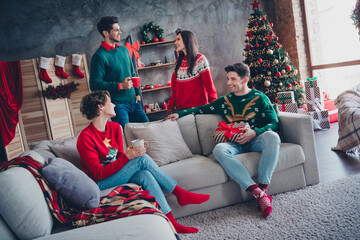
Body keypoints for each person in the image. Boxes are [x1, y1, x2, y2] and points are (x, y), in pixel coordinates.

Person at [77, 91, 210, 233]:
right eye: (110, 102)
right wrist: (129, 157)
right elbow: (98, 173)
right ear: (100, 107)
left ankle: (171, 224)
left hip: (113, 175)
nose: (114, 104)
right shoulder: (85, 138)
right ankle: (180, 193)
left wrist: (133, 153)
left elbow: (119, 157)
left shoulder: (115, 128)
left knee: (144, 174)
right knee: (142, 160)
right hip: (99, 183)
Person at [165, 63, 280, 218]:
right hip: (234, 144)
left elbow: (274, 122)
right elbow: (200, 109)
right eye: (227, 79)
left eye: (233, 79)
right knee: (219, 149)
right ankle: (256, 192)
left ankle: (263, 188)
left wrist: (255, 132)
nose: (228, 83)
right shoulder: (224, 101)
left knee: (273, 137)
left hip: (255, 140)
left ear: (244, 79)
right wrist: (179, 114)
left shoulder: (260, 98)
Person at [89, 16, 148, 129]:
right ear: (106, 33)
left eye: (119, 29)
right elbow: (94, 85)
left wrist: (138, 93)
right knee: (126, 135)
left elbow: (133, 74)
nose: (120, 32)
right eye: (116, 30)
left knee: (148, 130)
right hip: (118, 105)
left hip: (135, 102)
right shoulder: (99, 56)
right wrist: (120, 86)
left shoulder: (124, 50)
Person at [167, 29, 217, 114]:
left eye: (178, 39)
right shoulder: (178, 63)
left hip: (198, 109)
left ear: (187, 40)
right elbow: (174, 90)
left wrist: (214, 107)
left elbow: (210, 87)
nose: (175, 43)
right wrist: (170, 107)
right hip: (180, 111)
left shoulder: (200, 60)